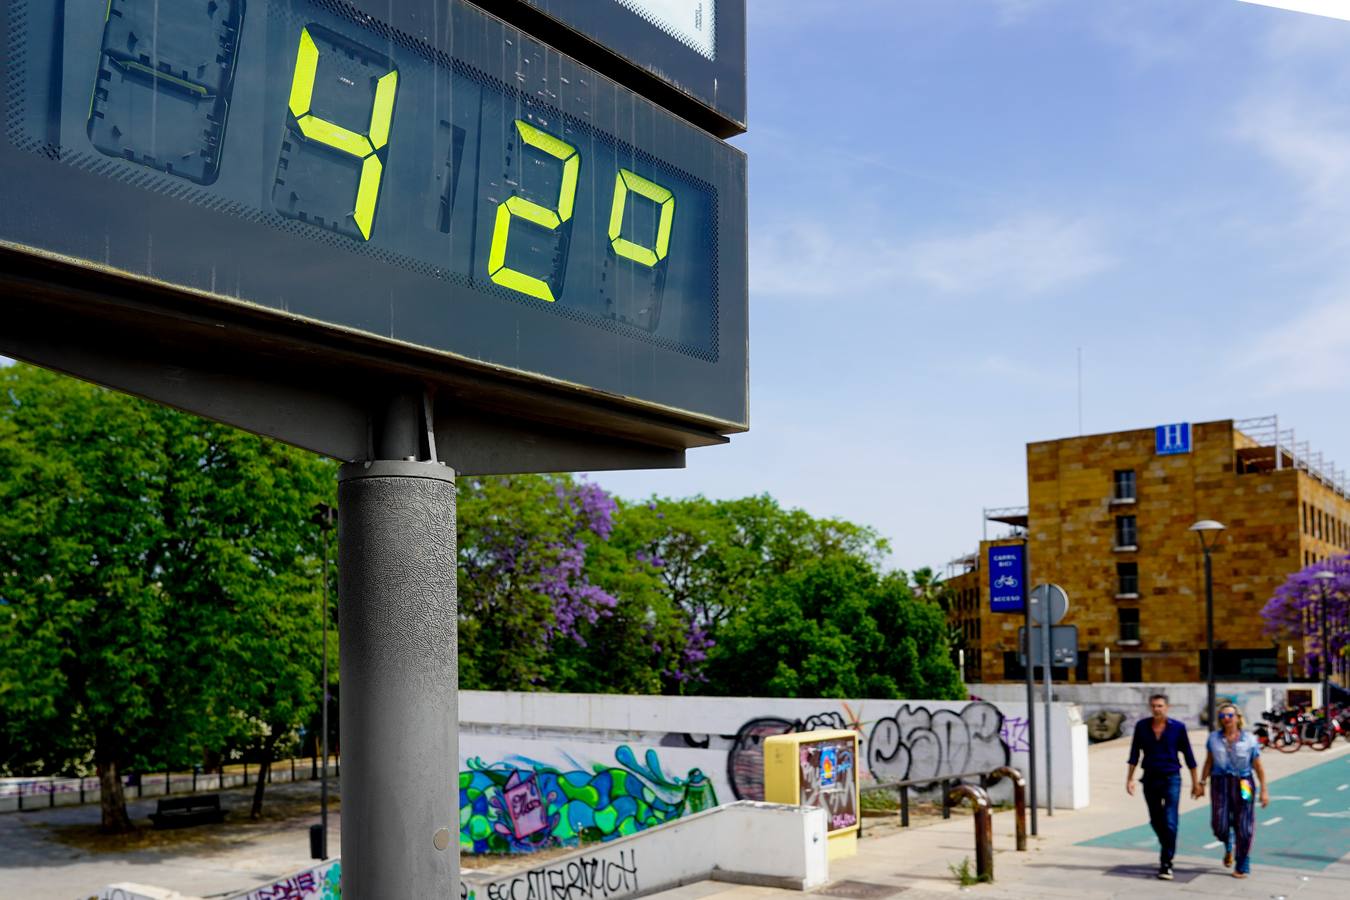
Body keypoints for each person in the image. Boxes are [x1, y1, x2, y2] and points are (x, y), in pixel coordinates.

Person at [1126, 693, 1200, 880]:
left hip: (1171, 778)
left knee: (1170, 820)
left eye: (1160, 706)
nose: (1157, 709)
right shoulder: (1142, 727)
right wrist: (1129, 779)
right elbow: (1134, 754)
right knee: (1155, 819)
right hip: (1150, 778)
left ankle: (1166, 862)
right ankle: (1167, 843)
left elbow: (1189, 757)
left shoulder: (1178, 728)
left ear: (1167, 707)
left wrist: (1196, 783)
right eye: (1154, 706)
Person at [1200, 703, 1269, 879]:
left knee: (1244, 825)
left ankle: (1242, 863)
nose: (1226, 719)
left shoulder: (1250, 740)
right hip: (1220, 784)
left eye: (1230, 715)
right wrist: (1201, 782)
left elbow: (1258, 767)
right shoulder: (1213, 738)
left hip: (1244, 782)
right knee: (1219, 824)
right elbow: (1209, 761)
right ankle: (1228, 842)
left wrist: (1264, 791)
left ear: (1238, 717)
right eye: (1223, 716)